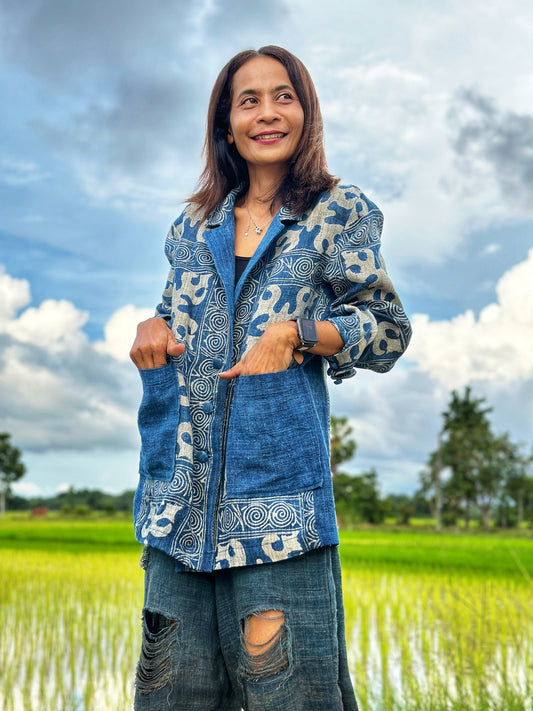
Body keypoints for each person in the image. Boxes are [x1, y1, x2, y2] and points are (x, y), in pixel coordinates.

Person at [130, 45, 411, 711]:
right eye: (247, 100)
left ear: (305, 112)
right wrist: (151, 331)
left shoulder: (337, 210)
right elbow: (174, 317)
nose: (266, 112)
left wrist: (299, 333)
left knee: (291, 696)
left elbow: (386, 326)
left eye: (282, 95)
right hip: (180, 511)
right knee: (169, 696)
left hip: (277, 512)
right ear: (225, 123)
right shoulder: (191, 226)